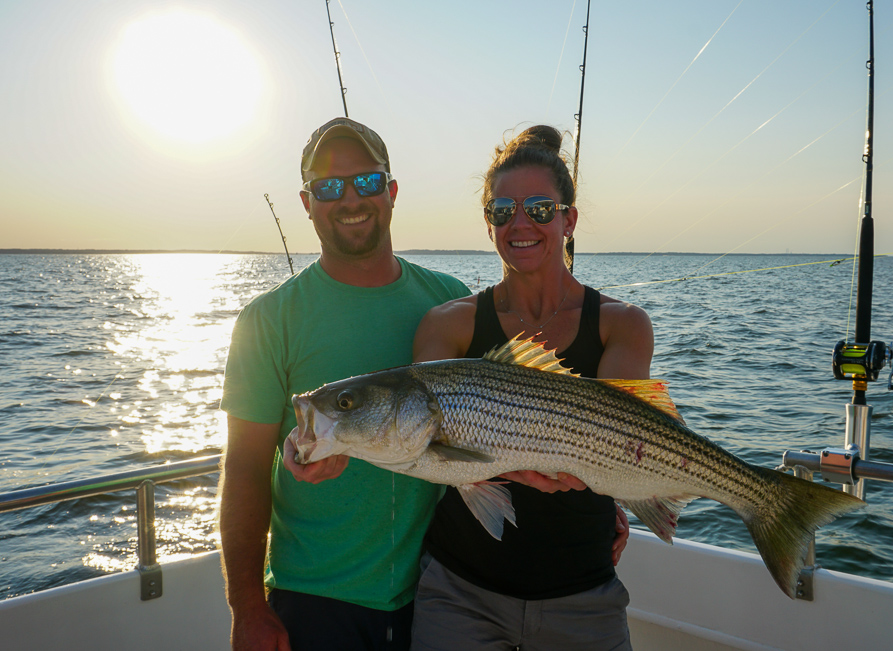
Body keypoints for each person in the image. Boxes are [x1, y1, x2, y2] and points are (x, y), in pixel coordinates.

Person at [219, 117, 470, 651]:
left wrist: (599, 505)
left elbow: (511, 419)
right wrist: (247, 608)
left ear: (392, 192)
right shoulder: (266, 320)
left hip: (439, 592)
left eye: (368, 182)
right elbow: (243, 466)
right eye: (330, 187)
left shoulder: (450, 301)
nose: (351, 198)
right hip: (313, 601)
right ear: (307, 203)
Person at [409, 125, 654, 651]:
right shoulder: (446, 325)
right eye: (503, 211)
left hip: (584, 593)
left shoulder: (622, 323)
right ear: (488, 222)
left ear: (569, 219)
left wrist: (623, 494)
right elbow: (422, 440)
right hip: (459, 591)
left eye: (540, 209)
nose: (520, 224)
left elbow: (622, 439)